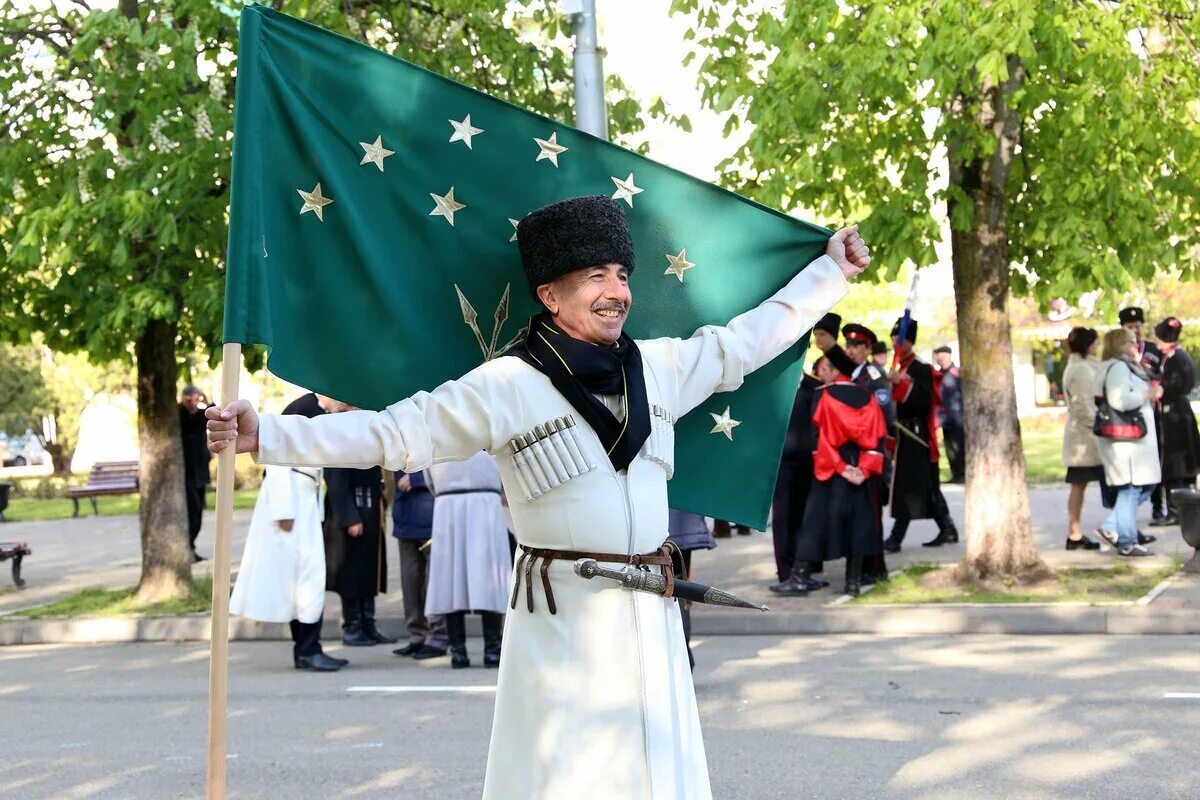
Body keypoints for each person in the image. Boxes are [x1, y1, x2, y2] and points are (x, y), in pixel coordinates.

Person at [207, 194, 868, 800]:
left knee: (656, 771)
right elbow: (395, 432)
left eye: (622, 275)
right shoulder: (507, 384)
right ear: (551, 294)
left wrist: (830, 273)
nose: (617, 293)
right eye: (595, 278)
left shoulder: (660, 366)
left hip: (652, 611)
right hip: (563, 615)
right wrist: (265, 433)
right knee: (570, 778)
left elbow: (747, 342)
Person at [231, 393, 349, 672]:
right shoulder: (302, 409)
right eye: (345, 402)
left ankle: (308, 648)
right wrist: (285, 510)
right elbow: (277, 454)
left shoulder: (316, 411)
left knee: (306, 578)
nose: (346, 408)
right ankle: (308, 649)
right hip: (292, 499)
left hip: (304, 499)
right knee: (305, 577)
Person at [775, 356, 886, 596]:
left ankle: (800, 576)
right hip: (860, 470)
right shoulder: (867, 396)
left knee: (814, 525)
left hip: (832, 470)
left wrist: (840, 467)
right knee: (858, 525)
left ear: (834, 370)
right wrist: (863, 469)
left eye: (824, 368)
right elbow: (878, 436)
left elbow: (820, 440)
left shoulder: (823, 395)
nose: (820, 373)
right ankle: (853, 582)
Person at [425, 452, 511, 669]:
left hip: (449, 504)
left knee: (452, 580)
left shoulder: (437, 431)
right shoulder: (488, 427)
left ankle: (459, 652)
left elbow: (429, 478)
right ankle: (492, 650)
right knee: (489, 580)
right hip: (485, 503)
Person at [883, 318, 959, 552]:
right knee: (925, 485)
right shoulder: (898, 367)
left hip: (918, 434)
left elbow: (926, 400)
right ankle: (947, 528)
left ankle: (896, 537)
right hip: (903, 433)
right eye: (894, 338)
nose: (896, 342)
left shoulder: (921, 368)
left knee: (912, 485)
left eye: (901, 339)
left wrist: (902, 385)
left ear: (909, 341)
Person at [1093, 327, 1161, 557]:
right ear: (1119, 345)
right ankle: (1126, 539)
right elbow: (1119, 400)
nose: (1136, 345)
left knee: (1142, 486)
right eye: (1130, 341)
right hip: (1127, 440)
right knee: (1131, 488)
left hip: (1131, 440)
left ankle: (1115, 527)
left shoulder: (1120, 367)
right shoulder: (1118, 367)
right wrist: (1146, 395)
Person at [842, 323, 893, 581]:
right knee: (857, 514)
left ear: (867, 349)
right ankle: (864, 566)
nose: (851, 351)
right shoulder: (850, 374)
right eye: (848, 346)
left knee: (871, 513)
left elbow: (885, 417)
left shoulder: (873, 376)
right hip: (851, 454)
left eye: (856, 346)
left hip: (870, 453)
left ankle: (874, 568)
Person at [769, 368, 822, 589]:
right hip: (780, 461)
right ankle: (785, 572)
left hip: (808, 461)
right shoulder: (775, 380)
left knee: (804, 516)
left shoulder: (813, 385)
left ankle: (802, 571)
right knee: (783, 517)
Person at [391, 470, 448, 659]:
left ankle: (438, 636)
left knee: (434, 584)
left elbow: (447, 465)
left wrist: (418, 479)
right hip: (405, 518)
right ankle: (418, 635)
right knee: (410, 584)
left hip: (432, 516)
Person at [1120, 306, 1166, 523]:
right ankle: (1127, 512)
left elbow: (1163, 373)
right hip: (1128, 414)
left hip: (1153, 411)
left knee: (1156, 457)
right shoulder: (1118, 352)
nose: (1135, 330)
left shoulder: (1153, 349)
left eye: (1137, 326)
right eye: (1130, 327)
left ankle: (1158, 506)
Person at [1060, 328, 1103, 550]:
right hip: (1084, 439)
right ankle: (1074, 534)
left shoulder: (1083, 366)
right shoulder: (1080, 370)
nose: (1097, 347)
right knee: (1079, 485)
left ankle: (1075, 533)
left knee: (1080, 486)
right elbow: (1082, 405)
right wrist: (1100, 425)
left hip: (1084, 436)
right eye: (1094, 343)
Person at [1154, 317, 1200, 522]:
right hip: (1180, 413)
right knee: (1179, 461)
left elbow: (1176, 384)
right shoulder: (1177, 357)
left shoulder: (1176, 359)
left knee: (1176, 461)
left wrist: (1160, 390)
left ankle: (1176, 511)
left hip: (1175, 415)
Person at [665, 509, 716, 669]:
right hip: (679, 521)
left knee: (677, 588)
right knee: (679, 588)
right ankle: (684, 661)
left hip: (665, 519)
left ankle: (682, 661)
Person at [179, 386, 212, 562]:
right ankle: (188, 548)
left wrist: (206, 401)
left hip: (200, 472)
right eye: (189, 400)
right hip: (187, 472)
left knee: (198, 514)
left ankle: (191, 547)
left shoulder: (200, 416)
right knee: (192, 512)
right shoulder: (179, 416)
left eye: (196, 400)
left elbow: (214, 413)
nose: (193, 403)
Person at [932, 345, 965, 484]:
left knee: (960, 446)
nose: (940, 358)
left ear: (949, 355)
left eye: (942, 355)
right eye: (938, 355)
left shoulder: (957, 373)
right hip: (943, 418)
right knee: (949, 447)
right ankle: (956, 474)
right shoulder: (937, 375)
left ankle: (963, 474)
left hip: (957, 417)